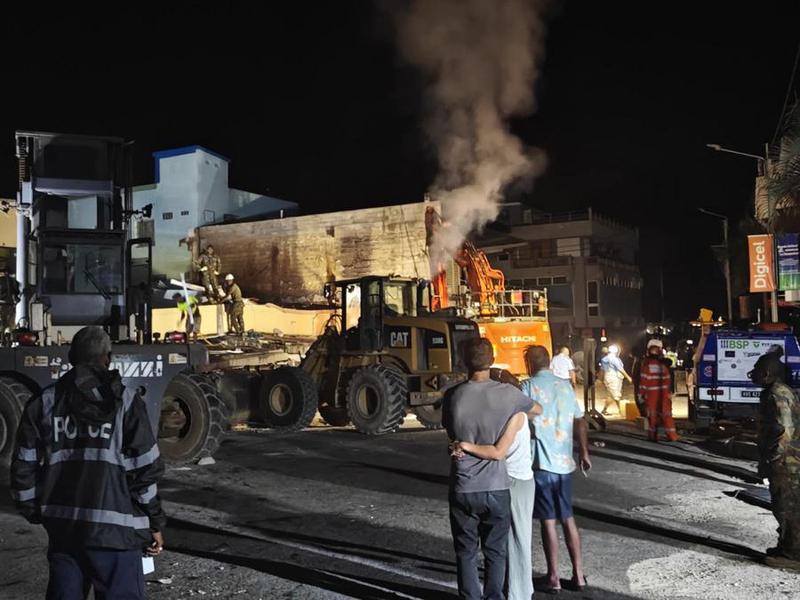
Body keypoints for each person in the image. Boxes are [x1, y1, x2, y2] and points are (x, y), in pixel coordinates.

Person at [9, 326, 165, 600]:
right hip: (116, 537)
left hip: (64, 533)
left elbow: (23, 465)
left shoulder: (44, 401)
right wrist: (154, 522)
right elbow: (143, 470)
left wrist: (34, 510)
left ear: (72, 358)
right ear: (108, 358)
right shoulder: (126, 403)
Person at [443, 338, 542, 600]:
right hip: (497, 485)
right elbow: (536, 409)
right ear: (493, 358)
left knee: (465, 551)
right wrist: (512, 417)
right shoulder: (508, 395)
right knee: (496, 552)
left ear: (464, 359)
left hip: (464, 484)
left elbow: (451, 433)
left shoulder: (453, 395)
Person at [524, 345, 590, 594]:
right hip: (564, 463)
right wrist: (584, 452)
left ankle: (554, 577)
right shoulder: (565, 386)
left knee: (548, 521)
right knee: (568, 518)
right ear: (549, 362)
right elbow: (579, 420)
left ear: (530, 363)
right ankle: (578, 574)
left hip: (541, 463)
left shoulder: (528, 387)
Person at [451, 410, 534, 600]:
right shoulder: (510, 414)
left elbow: (497, 452)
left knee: (479, 548)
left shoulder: (511, 416)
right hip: (509, 481)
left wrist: (463, 445)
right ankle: (510, 593)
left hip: (502, 480)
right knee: (501, 547)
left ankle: (515, 594)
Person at [749, 350, 800, 569]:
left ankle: (792, 555)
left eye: (759, 371)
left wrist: (771, 460)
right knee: (784, 505)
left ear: (768, 373)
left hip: (787, 463)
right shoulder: (776, 391)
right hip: (786, 460)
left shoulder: (776, 394)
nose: (754, 374)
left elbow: (784, 431)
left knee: (787, 507)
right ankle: (786, 546)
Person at [638, 339, 679, 442]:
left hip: (652, 395)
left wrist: (641, 394)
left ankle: (653, 436)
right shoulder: (664, 366)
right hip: (664, 394)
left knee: (653, 416)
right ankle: (672, 436)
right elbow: (668, 380)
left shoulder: (646, 365)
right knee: (666, 416)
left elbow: (644, 381)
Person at [599, 344, 632, 415]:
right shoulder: (614, 359)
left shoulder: (605, 359)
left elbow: (602, 370)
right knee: (616, 395)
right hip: (614, 378)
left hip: (608, 377)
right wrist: (628, 377)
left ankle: (615, 410)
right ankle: (621, 411)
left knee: (611, 395)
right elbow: (620, 369)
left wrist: (600, 379)